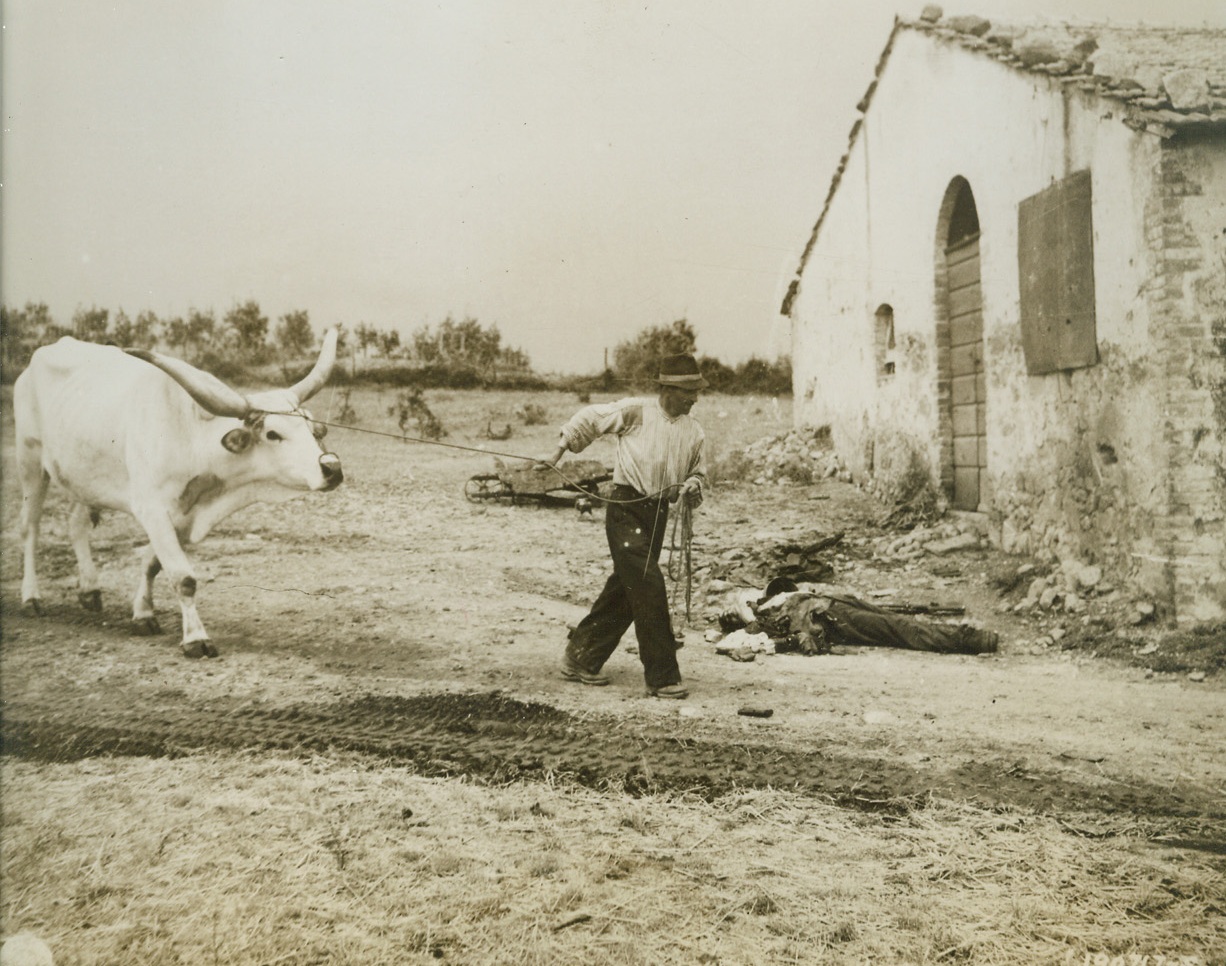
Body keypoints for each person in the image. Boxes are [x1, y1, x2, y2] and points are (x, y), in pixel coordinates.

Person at [540, 354, 708, 698]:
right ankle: (662, 677)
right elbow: (590, 418)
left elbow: (698, 471)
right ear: (667, 389)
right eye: (687, 391)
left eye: (696, 391)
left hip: (658, 514)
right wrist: (557, 454)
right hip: (625, 510)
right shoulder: (636, 411)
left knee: (625, 589)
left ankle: (580, 657)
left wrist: (692, 484)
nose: (694, 398)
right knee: (647, 586)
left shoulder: (694, 432)